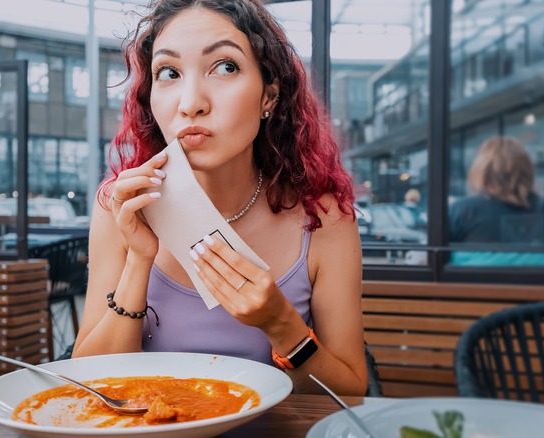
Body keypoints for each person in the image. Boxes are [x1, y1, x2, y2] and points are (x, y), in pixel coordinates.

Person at [73, 0, 367, 395]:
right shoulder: (120, 207)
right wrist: (138, 261)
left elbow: (350, 392)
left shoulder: (323, 217)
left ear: (269, 97)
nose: (191, 102)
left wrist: (281, 324)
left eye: (225, 67)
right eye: (169, 72)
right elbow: (87, 387)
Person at [449, 137, 544, 266]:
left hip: (471, 285)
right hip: (539, 285)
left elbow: (436, 261)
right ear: (527, 170)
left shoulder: (462, 211)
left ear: (482, 169)